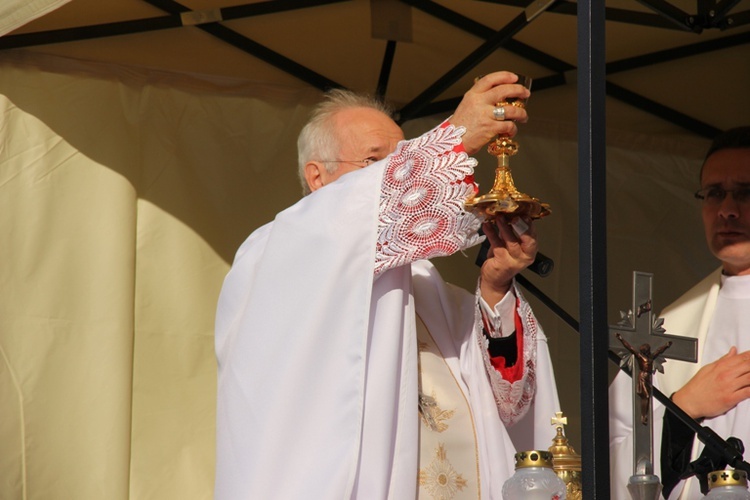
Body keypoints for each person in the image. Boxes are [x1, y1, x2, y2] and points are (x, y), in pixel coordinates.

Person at [214, 72, 561, 499]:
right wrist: (455, 136)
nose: (395, 174)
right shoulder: (276, 252)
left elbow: (506, 405)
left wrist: (493, 289)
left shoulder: (426, 286)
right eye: (376, 163)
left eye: (402, 158)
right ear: (318, 178)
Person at [610, 126, 750, 499]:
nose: (727, 210)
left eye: (745, 193)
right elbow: (614, 456)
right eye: (715, 194)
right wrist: (685, 406)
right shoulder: (662, 332)